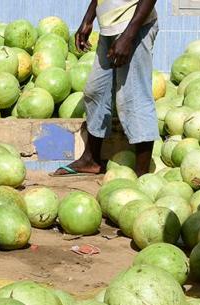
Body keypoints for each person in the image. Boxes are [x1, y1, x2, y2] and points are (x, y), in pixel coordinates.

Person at [52, 0, 159, 176]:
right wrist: (88, 19)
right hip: (109, 30)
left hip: (134, 28)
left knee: (133, 98)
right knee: (96, 91)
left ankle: (142, 175)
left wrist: (128, 36)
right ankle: (91, 160)